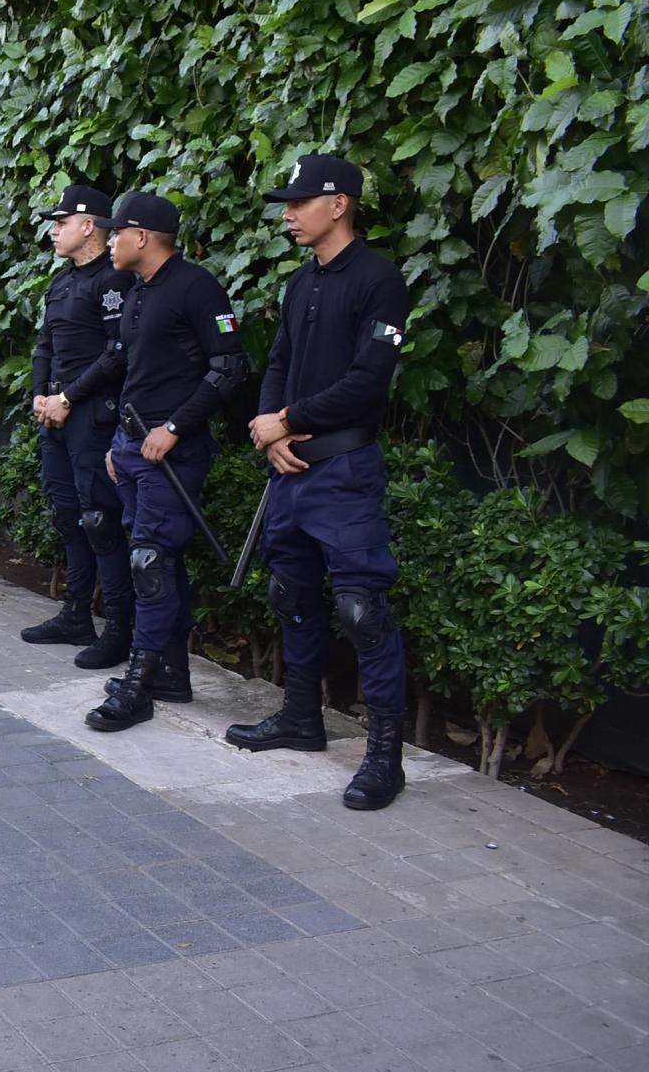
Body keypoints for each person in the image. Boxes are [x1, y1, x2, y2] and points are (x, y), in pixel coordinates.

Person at [228, 154, 411, 811]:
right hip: (291, 472)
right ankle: (301, 718)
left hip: (344, 470)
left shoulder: (379, 279)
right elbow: (279, 362)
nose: (289, 213)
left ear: (340, 204)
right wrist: (269, 425)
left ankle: (384, 760)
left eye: (301, 201)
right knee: (291, 592)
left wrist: (286, 420)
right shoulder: (300, 284)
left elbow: (368, 381)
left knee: (362, 609)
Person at [79, 191, 248, 733]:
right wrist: (120, 444)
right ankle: (170, 672)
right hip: (133, 449)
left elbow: (230, 368)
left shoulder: (196, 287)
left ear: (143, 237)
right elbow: (137, 373)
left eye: (117, 232)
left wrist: (174, 428)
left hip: (173, 454)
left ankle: (140, 681)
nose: (109, 241)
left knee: (149, 564)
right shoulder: (136, 292)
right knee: (159, 561)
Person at [21, 185, 137, 667]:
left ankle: (120, 628)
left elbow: (118, 352)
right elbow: (45, 345)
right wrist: (40, 395)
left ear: (89, 225)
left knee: (100, 519)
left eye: (62, 221)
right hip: (56, 414)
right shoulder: (63, 282)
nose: (54, 229)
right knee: (68, 515)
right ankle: (75, 615)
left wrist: (68, 398)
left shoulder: (114, 281)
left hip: (92, 416)